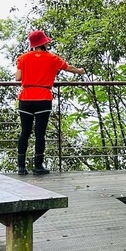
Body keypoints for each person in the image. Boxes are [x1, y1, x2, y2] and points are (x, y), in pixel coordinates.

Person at [15, 30, 85, 175]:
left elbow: (18, 78)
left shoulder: (23, 58)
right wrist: (80, 71)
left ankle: (21, 167)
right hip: (43, 97)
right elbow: (69, 68)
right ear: (44, 43)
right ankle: (38, 166)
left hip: (26, 97)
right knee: (40, 133)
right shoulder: (52, 58)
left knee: (25, 132)